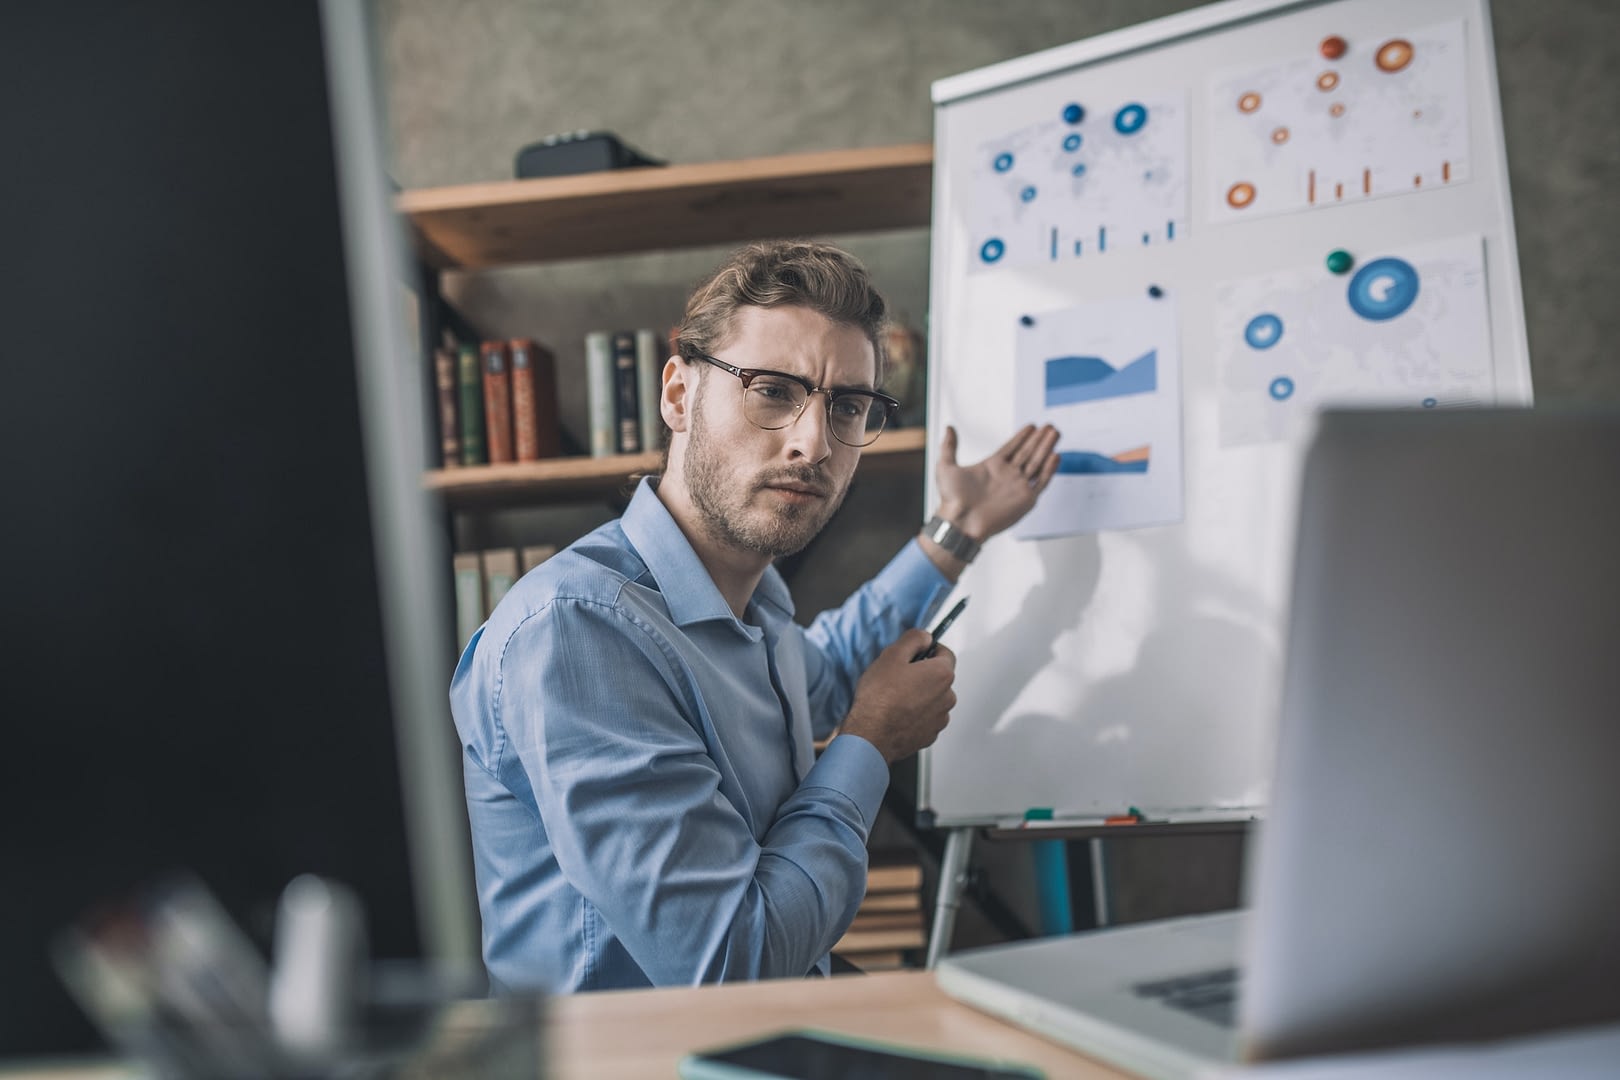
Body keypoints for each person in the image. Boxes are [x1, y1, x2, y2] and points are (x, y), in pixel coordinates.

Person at [449, 240, 1059, 992]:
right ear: (679, 395)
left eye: (847, 407)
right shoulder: (576, 632)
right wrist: (871, 742)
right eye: (772, 390)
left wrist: (957, 528)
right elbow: (730, 962)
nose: (813, 443)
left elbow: (831, 673)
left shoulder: (754, 600)